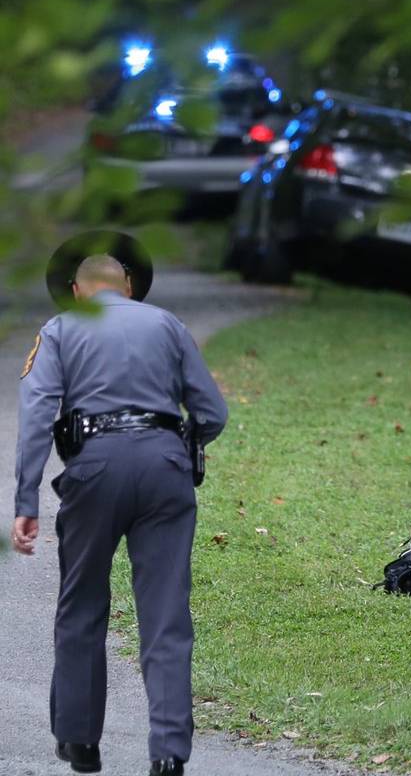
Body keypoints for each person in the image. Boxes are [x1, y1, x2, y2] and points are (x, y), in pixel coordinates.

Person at [10, 231, 227, 776]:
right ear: (129, 287)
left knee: (82, 604)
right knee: (166, 614)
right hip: (164, 470)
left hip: (95, 469)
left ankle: (81, 743)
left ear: (79, 293)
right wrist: (182, 448)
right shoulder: (168, 325)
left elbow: (36, 415)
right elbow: (213, 412)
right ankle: (170, 753)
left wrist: (26, 499)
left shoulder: (61, 329)